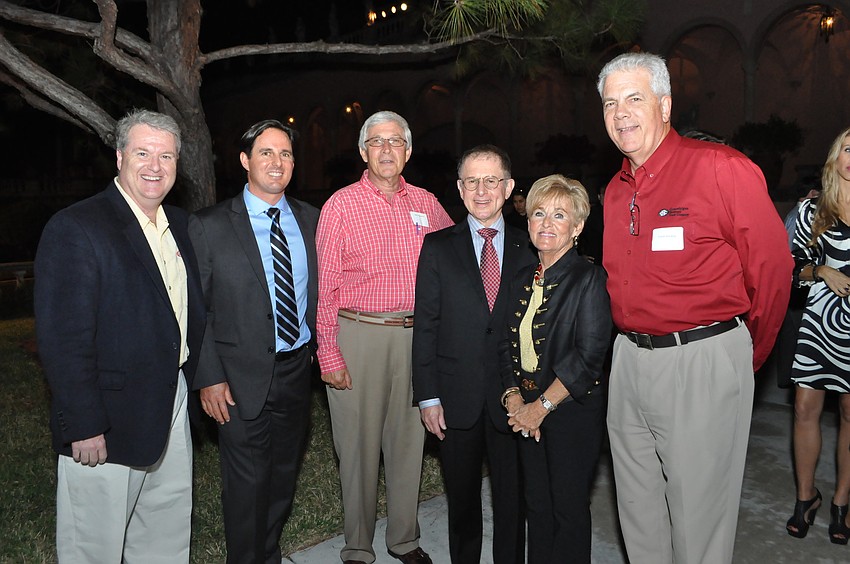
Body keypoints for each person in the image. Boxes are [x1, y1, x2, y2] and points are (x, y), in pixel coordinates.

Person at [597, 52, 793, 563]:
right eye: (610, 103)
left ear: (664, 105)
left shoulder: (721, 168)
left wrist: (743, 355)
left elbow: (773, 271)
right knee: (637, 512)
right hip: (628, 362)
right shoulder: (615, 192)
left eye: (634, 98)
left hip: (700, 359)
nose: (621, 113)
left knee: (698, 522)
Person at [34, 108, 204, 563]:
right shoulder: (77, 227)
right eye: (143, 153)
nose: (155, 166)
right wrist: (84, 423)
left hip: (171, 400)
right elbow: (63, 339)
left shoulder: (180, 226)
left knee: (166, 528)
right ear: (119, 157)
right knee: (94, 544)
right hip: (107, 418)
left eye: (166, 156)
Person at [316, 110, 454, 564]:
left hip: (416, 338)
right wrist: (328, 352)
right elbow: (326, 286)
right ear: (363, 152)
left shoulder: (428, 204)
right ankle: (358, 545)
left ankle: (404, 540)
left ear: (408, 151)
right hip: (359, 335)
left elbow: (454, 260)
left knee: (408, 442)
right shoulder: (341, 205)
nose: (387, 149)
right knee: (356, 447)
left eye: (396, 141)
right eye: (377, 142)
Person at [188, 120, 318, 563]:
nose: (277, 162)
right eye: (266, 152)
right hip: (236, 378)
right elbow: (197, 308)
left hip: (296, 371)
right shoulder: (209, 225)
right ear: (245, 160)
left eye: (285, 154)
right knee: (247, 484)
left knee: (282, 478)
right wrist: (208, 377)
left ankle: (268, 554)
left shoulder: (311, 219)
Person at [412, 144, 534, 564]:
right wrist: (427, 397)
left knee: (512, 501)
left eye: (491, 181)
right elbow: (426, 327)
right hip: (455, 397)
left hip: (515, 398)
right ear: (460, 188)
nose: (482, 191)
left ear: (508, 187)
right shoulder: (437, 247)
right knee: (461, 501)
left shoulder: (530, 247)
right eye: (472, 182)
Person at [498, 174, 611, 564]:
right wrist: (514, 398)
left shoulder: (589, 278)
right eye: (539, 213)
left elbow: (589, 357)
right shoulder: (520, 279)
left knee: (568, 509)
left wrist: (540, 408)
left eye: (559, 215)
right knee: (537, 505)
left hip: (570, 414)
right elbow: (504, 343)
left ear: (577, 227)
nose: (546, 223)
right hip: (526, 413)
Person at [786, 126, 850, 544]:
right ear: (835, 157)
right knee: (804, 408)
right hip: (819, 323)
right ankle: (806, 497)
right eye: (848, 148)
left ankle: (842, 502)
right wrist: (822, 270)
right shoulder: (814, 209)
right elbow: (790, 267)